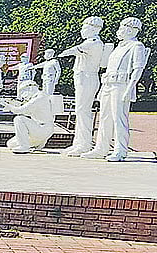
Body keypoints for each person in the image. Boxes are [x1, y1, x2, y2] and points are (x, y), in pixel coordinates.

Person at [82, 17, 149, 162]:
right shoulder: (118, 47)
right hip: (108, 83)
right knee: (104, 117)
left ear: (130, 29)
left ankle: (120, 150)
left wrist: (130, 88)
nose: (119, 31)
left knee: (119, 118)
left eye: (122, 28)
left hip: (121, 84)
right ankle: (101, 147)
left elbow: (138, 69)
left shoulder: (136, 46)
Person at [59, 16, 109, 156]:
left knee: (83, 111)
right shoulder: (89, 42)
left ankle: (84, 144)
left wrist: (61, 54)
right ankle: (79, 142)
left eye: (84, 27)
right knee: (80, 111)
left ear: (93, 28)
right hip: (82, 78)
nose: (82, 30)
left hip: (88, 78)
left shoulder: (94, 43)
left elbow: (71, 50)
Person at [2, 80, 60, 153]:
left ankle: (24, 146)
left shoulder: (39, 97)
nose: (23, 96)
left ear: (30, 88)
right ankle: (37, 145)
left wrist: (6, 105)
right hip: (42, 129)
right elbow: (27, 112)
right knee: (10, 144)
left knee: (19, 119)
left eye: (22, 92)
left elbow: (19, 111)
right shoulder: (41, 96)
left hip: (43, 129)